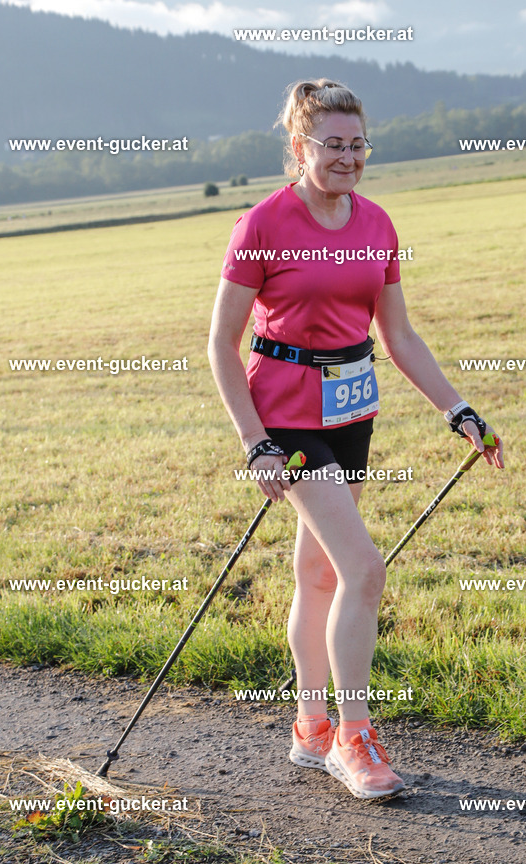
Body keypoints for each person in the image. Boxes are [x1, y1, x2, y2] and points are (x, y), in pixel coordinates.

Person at [207, 79, 504, 800]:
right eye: (332, 144)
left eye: (357, 143)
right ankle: (353, 736)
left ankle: (309, 726)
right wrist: (255, 443)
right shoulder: (263, 225)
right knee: (364, 569)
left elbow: (397, 335)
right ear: (300, 146)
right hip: (287, 419)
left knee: (320, 574)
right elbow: (221, 344)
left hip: (352, 414)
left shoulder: (376, 223)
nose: (348, 157)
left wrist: (457, 409)